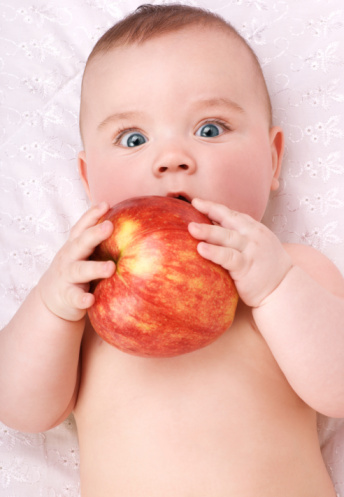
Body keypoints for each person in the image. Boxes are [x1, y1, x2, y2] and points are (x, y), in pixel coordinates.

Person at [1, 4, 344, 496]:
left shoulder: (294, 270)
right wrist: (53, 306)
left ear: (272, 160)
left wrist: (275, 288)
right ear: (87, 180)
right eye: (133, 138)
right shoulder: (87, 294)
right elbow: (19, 408)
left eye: (210, 128)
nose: (172, 159)